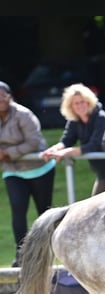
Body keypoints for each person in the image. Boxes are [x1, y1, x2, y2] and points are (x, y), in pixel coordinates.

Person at [0, 81, 56, 266]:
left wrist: (8, 152)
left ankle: (47, 252)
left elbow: (33, 142)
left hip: (38, 169)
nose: (0, 99)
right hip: (13, 171)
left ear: (10, 97)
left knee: (43, 212)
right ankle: (21, 255)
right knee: (18, 209)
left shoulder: (23, 115)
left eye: (3, 95)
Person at [42, 83, 105, 196]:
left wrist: (67, 152)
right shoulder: (74, 121)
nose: (80, 106)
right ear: (71, 106)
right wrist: (54, 149)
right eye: (76, 103)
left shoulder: (101, 118)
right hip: (102, 173)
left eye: (82, 102)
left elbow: (95, 145)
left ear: (89, 102)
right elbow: (67, 140)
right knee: (94, 208)